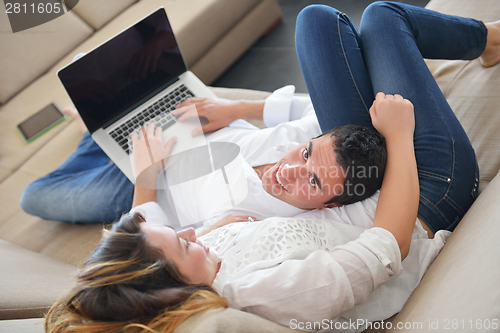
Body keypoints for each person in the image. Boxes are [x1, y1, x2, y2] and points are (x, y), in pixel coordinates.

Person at [45, 2, 500, 332]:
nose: (191, 233)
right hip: (424, 195)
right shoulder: (265, 291)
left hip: (364, 171)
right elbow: (385, 248)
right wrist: (399, 137)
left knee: (320, 19)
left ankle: (97, 130)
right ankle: (490, 38)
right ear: (173, 293)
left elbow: (144, 227)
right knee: (383, 19)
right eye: (183, 247)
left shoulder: (206, 259)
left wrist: (151, 169)